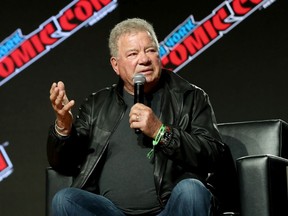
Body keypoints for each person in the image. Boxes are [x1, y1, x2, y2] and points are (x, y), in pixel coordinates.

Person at [47, 17, 227, 216]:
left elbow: (214, 156)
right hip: (112, 212)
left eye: (150, 50)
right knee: (65, 200)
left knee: (191, 191)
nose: (144, 59)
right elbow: (65, 164)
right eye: (133, 53)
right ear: (116, 65)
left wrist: (161, 132)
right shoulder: (96, 105)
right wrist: (63, 128)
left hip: (170, 210)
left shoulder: (189, 97)